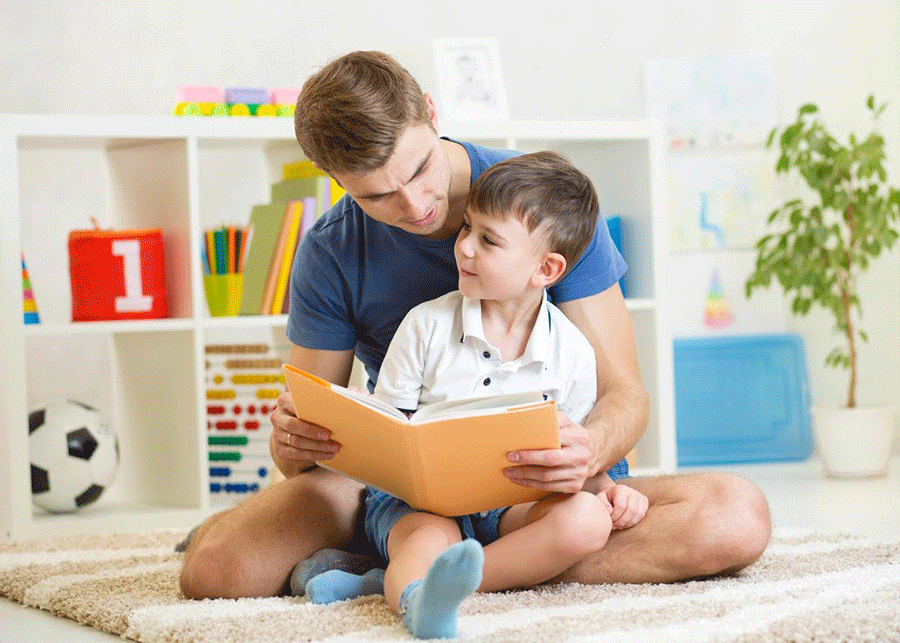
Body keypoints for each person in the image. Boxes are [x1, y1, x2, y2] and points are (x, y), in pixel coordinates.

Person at [179, 50, 771, 601]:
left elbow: (626, 397)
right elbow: (309, 453)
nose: (414, 205)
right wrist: (293, 441)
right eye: (378, 195)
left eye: (419, 169)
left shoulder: (544, 207)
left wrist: (585, 454)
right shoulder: (332, 251)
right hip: (410, 483)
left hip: (542, 485)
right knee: (214, 572)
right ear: (334, 177)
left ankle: (411, 574)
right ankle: (447, 558)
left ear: (432, 114)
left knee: (734, 517)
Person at [301, 151, 649, 639]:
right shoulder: (425, 326)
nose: (463, 248)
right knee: (426, 539)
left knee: (587, 523)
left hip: (515, 507)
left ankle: (415, 582)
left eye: (488, 240)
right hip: (421, 505)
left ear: (546, 269)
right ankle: (418, 602)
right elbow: (387, 426)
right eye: (467, 229)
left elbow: (573, 453)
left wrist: (611, 493)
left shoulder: (571, 349)